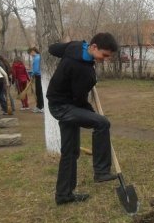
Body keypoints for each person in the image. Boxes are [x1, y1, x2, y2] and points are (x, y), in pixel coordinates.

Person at [47, 33, 119, 206]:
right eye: (104, 55)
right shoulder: (83, 70)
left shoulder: (76, 46)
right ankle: (101, 171)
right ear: (93, 47)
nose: (105, 59)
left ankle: (64, 195)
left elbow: (53, 49)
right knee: (102, 123)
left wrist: (66, 50)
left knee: (70, 152)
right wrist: (93, 114)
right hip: (64, 107)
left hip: (60, 102)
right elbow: (80, 101)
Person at [28, 47, 44, 113]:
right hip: (39, 76)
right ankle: (39, 106)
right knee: (39, 92)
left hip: (38, 76)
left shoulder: (37, 58)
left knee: (39, 92)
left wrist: (32, 75)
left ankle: (40, 107)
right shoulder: (38, 57)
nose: (30, 54)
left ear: (34, 51)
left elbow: (36, 69)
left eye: (30, 52)